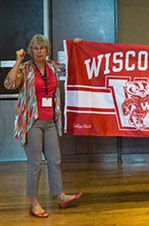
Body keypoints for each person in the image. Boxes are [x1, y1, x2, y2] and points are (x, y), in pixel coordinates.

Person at [4, 34, 82, 218]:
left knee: (55, 160)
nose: (39, 51)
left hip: (50, 122)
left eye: (42, 48)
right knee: (35, 164)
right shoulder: (26, 68)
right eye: (36, 48)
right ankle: (34, 202)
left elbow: (73, 67)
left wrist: (77, 47)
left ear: (47, 50)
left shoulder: (53, 67)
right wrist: (18, 61)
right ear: (31, 51)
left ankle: (60, 196)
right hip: (32, 122)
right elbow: (9, 83)